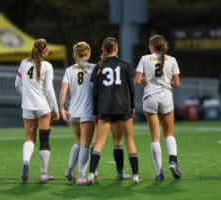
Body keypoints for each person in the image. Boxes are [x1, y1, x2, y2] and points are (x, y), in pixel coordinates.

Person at [87, 37, 142, 184]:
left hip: (105, 107)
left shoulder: (99, 66)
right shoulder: (125, 65)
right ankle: (135, 176)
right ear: (116, 48)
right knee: (126, 141)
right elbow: (131, 88)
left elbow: (95, 92)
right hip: (123, 106)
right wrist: (132, 106)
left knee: (99, 142)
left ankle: (91, 173)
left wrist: (95, 112)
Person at [135, 34, 181, 181]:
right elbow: (177, 84)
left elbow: (137, 80)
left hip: (150, 98)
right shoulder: (171, 60)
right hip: (166, 97)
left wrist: (147, 81)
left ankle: (159, 172)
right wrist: (167, 84)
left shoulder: (144, 58)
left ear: (151, 46)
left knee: (155, 137)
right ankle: (173, 160)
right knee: (169, 134)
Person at [15, 38, 60, 183]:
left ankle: (26, 161)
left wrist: (26, 96)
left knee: (30, 139)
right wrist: (56, 108)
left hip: (27, 106)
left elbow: (17, 84)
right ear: (45, 51)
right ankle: (44, 174)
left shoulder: (23, 63)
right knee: (44, 140)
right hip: (42, 107)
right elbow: (49, 89)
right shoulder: (47, 65)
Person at [59, 41, 95, 185]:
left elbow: (63, 90)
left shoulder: (69, 69)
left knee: (78, 141)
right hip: (87, 110)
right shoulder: (94, 68)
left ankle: (69, 170)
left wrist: (62, 108)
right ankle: (81, 175)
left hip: (73, 110)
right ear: (88, 53)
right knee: (85, 144)